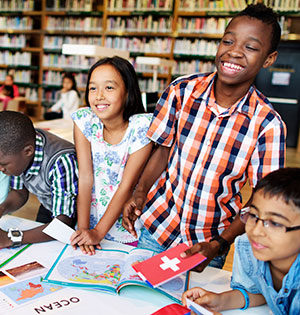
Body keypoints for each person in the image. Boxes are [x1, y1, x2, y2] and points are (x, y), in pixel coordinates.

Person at [122, 4, 286, 270]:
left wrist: (220, 244)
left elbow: (261, 200)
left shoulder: (268, 125)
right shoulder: (180, 91)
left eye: (251, 47)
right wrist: (139, 193)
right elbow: (162, 151)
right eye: (228, 41)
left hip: (207, 245)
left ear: (269, 59)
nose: (234, 51)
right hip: (156, 227)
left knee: (187, 308)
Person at [182, 168, 300, 315]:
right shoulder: (249, 247)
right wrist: (220, 301)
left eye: (275, 223)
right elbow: (258, 292)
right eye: (253, 215)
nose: (256, 231)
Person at [70, 57, 153, 255]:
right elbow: (85, 178)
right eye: (92, 88)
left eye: (109, 88)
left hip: (128, 226)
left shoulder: (141, 127)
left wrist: (98, 232)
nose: (99, 96)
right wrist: (83, 229)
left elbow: (127, 184)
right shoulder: (85, 121)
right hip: (92, 218)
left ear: (127, 92)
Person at [0, 111, 78, 248]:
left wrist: (11, 238)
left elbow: (63, 224)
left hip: (74, 219)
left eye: (3, 164)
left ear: (28, 151)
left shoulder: (61, 162)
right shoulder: (19, 150)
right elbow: (19, 193)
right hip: (49, 207)